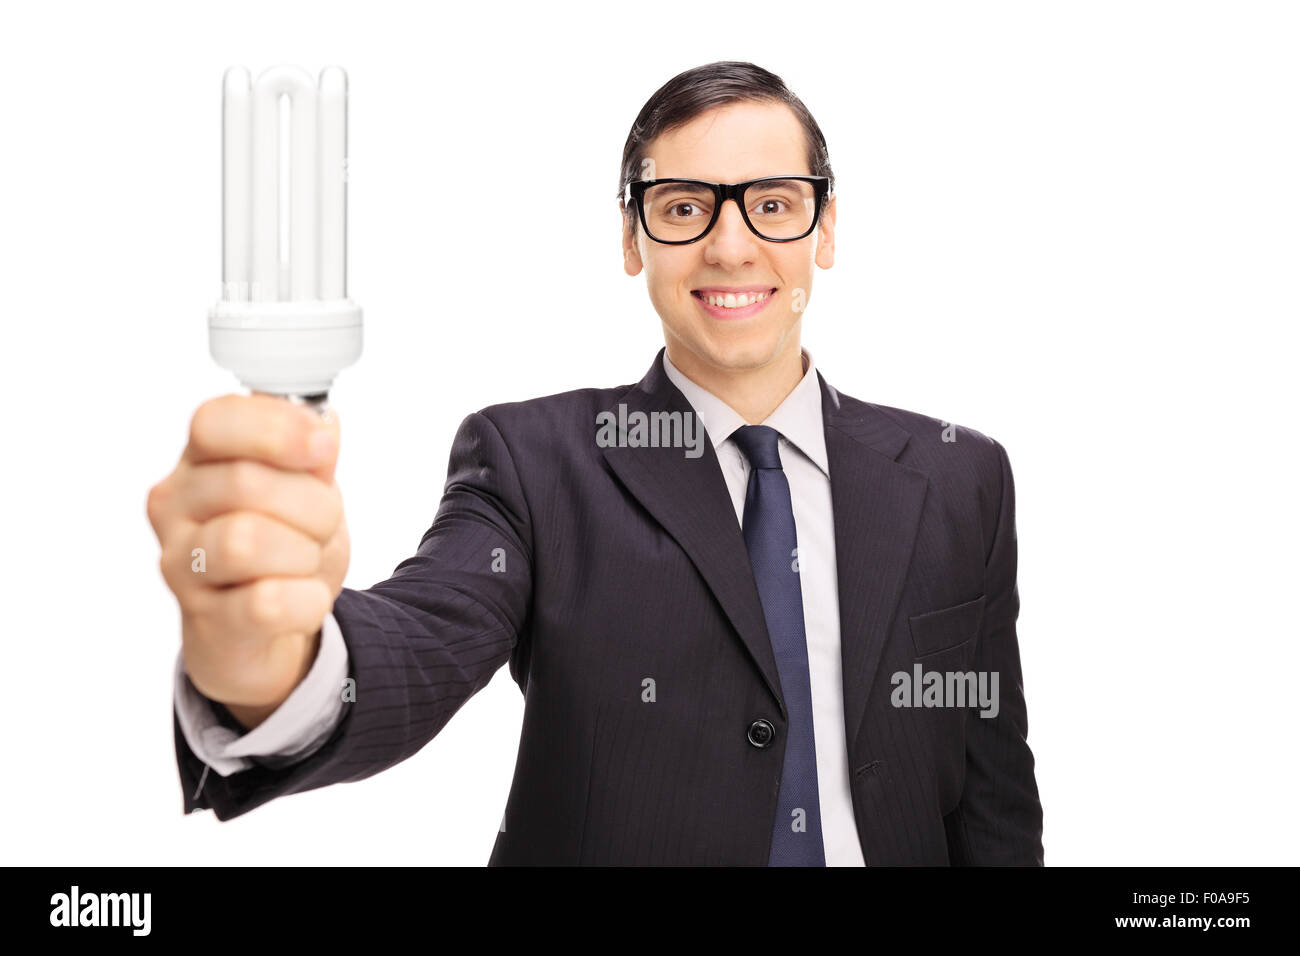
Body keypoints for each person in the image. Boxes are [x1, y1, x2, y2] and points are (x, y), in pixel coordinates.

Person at [147, 60, 1044, 866]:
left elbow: (993, 796)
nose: (731, 246)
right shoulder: (536, 463)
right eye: (684, 207)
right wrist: (273, 659)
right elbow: (422, 640)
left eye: (772, 203)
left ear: (827, 228)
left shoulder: (960, 478)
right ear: (631, 238)